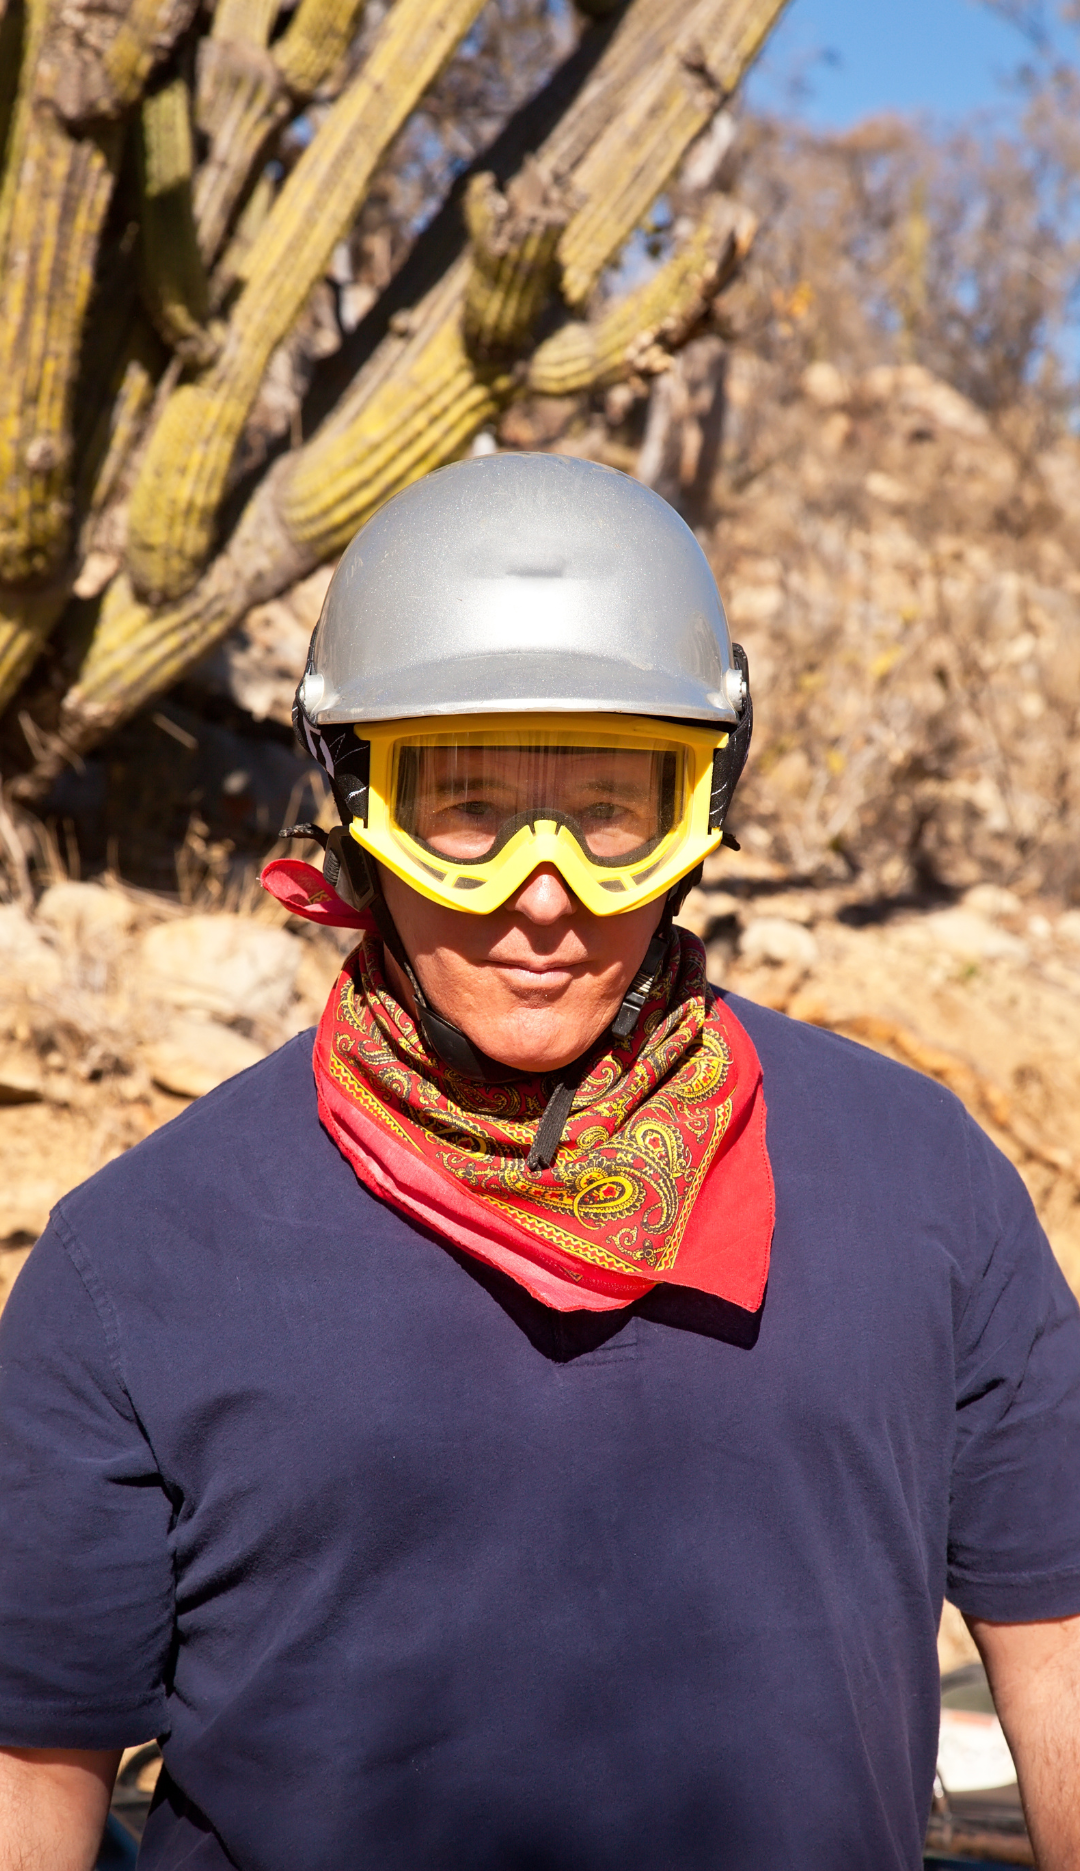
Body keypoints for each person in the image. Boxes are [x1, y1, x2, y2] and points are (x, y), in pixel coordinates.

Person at [1, 452, 1078, 1871]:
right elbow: (33, 1781)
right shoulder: (130, 1260)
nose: (545, 890)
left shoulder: (927, 1186)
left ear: (701, 812)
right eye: (467, 808)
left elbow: (1059, 1666)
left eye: (613, 808)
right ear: (353, 807)